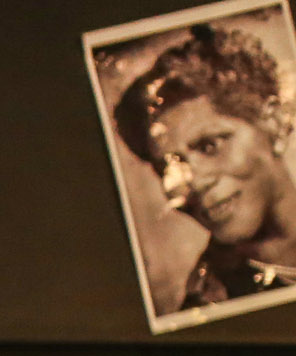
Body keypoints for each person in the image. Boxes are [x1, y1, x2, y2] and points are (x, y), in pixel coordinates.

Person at [111, 22, 296, 313]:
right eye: (167, 165)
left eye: (210, 146)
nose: (191, 183)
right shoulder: (207, 309)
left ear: (275, 122)